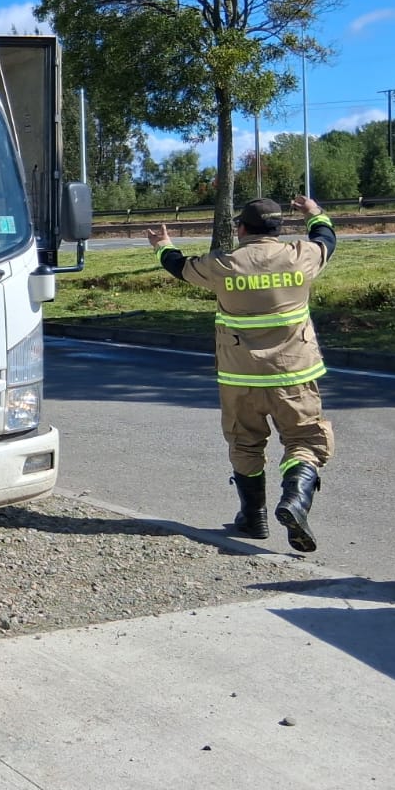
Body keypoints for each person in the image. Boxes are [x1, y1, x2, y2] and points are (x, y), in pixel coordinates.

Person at [147, 195, 337, 553]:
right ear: (278, 228)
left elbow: (180, 267)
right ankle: (295, 498)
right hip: (294, 375)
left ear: (242, 228)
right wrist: (314, 213)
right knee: (305, 441)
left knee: (245, 443)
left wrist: (162, 245)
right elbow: (326, 238)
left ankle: (253, 516)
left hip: (239, 377)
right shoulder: (302, 256)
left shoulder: (223, 264)